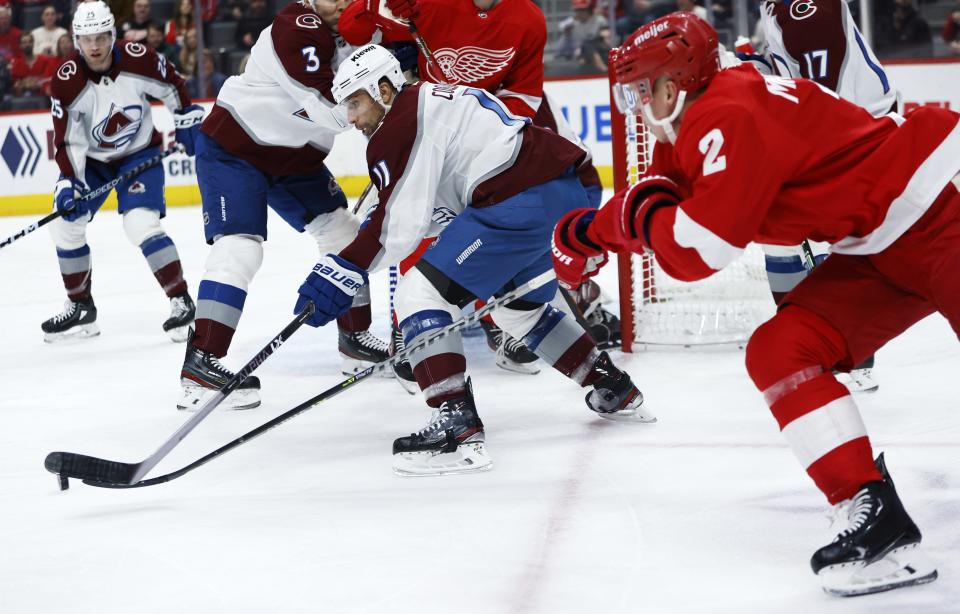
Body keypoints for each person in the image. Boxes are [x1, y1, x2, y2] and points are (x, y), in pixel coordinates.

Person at [551, 13, 957, 596]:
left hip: (943, 201)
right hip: (883, 241)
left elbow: (698, 249)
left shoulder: (727, 113)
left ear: (676, 82)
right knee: (782, 350)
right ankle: (875, 517)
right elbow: (657, 199)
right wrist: (587, 234)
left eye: (642, 89)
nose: (635, 104)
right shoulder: (698, 117)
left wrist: (610, 227)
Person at [295, 44, 652, 476]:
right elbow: (432, 210)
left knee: (418, 294)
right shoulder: (427, 103)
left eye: (355, 102)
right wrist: (369, 237)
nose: (350, 118)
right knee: (517, 310)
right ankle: (611, 385)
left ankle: (455, 424)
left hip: (517, 200)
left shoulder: (400, 123)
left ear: (384, 88)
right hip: (561, 191)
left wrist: (343, 269)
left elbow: (399, 228)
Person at [338, 0, 619, 374]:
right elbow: (352, 28)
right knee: (420, 220)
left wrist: (481, 124)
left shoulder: (528, 18)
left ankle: (508, 322)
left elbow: (524, 95)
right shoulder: (431, 6)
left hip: (485, 128)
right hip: (429, 123)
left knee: (501, 219)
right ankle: (412, 329)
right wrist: (375, 5)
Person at [181, 0, 390, 412]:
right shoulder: (297, 27)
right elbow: (336, 113)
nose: (342, 4)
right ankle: (201, 362)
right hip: (237, 147)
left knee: (344, 234)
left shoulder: (362, 31)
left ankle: (354, 340)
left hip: (295, 157)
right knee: (240, 246)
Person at [746, 0, 901, 393]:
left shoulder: (806, 10)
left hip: (859, 134)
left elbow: (820, 95)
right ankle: (824, 347)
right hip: (848, 129)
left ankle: (842, 347)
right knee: (779, 237)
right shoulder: (781, 7)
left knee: (793, 234)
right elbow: (792, 72)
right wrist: (753, 67)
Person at [45, 1, 200, 344]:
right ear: (76, 40)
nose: (95, 46)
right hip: (94, 164)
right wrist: (69, 182)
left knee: (141, 224)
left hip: (139, 154)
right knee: (65, 223)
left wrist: (185, 118)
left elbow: (174, 85)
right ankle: (80, 304)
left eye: (101, 37)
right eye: (87, 39)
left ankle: (181, 301)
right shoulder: (66, 81)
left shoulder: (138, 57)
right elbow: (67, 140)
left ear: (113, 34)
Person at [10, 32, 58, 96]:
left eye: (30, 42)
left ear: (33, 43)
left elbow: (49, 79)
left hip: (43, 96)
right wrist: (24, 85)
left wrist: (28, 83)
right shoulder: (17, 63)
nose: (27, 44)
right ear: (20, 45)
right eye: (24, 42)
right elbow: (16, 83)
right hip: (23, 98)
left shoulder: (45, 60)